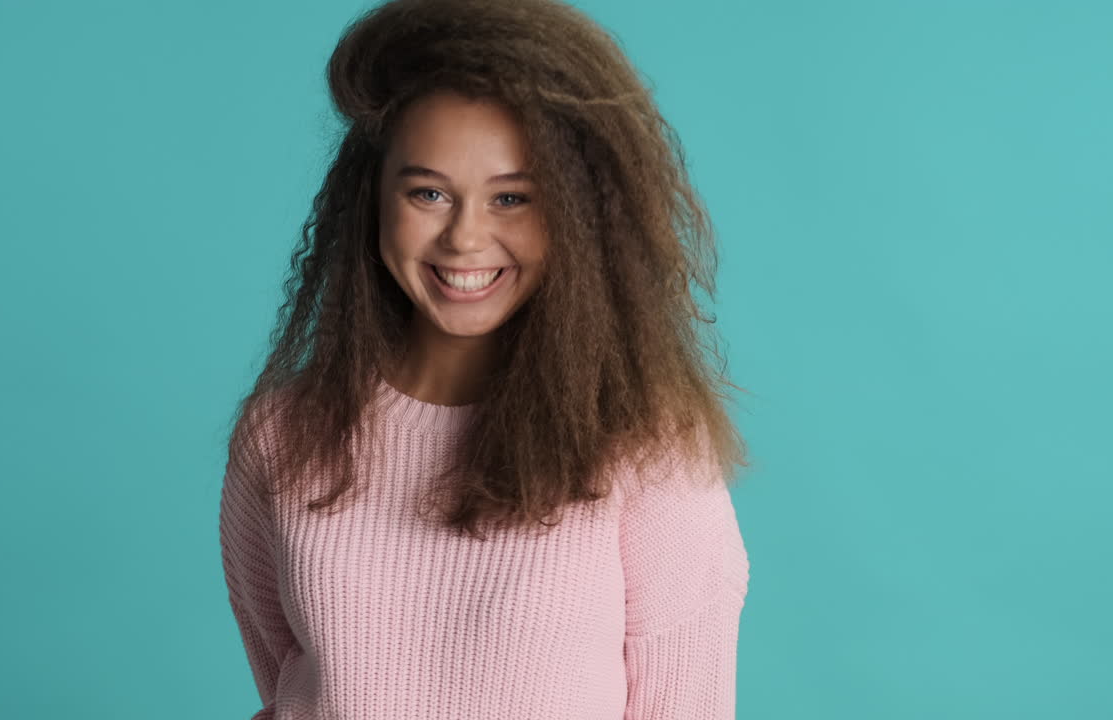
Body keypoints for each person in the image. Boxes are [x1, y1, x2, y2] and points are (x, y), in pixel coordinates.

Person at [218, 0, 752, 717]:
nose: (465, 238)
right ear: (370, 198)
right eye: (429, 192)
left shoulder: (648, 449)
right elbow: (284, 675)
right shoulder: (281, 435)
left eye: (512, 198)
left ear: (574, 214)